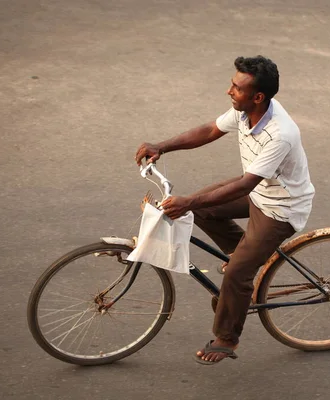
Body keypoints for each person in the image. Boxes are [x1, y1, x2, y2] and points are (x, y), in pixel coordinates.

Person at [135, 55, 315, 365]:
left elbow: (245, 185)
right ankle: (244, 254)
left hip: (279, 208)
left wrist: (188, 202)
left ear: (257, 97)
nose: (228, 91)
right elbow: (209, 130)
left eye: (236, 87)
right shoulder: (247, 113)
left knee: (235, 273)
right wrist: (162, 146)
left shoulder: (279, 133)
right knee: (202, 208)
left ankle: (227, 337)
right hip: (259, 189)